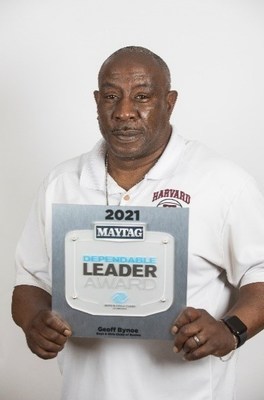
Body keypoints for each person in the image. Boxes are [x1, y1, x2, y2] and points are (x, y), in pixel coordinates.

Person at [12, 46, 264, 400]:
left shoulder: (223, 182)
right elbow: (30, 282)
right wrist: (34, 320)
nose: (124, 112)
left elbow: (259, 274)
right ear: (97, 101)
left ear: (170, 102)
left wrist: (230, 330)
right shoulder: (63, 182)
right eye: (111, 97)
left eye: (142, 97)